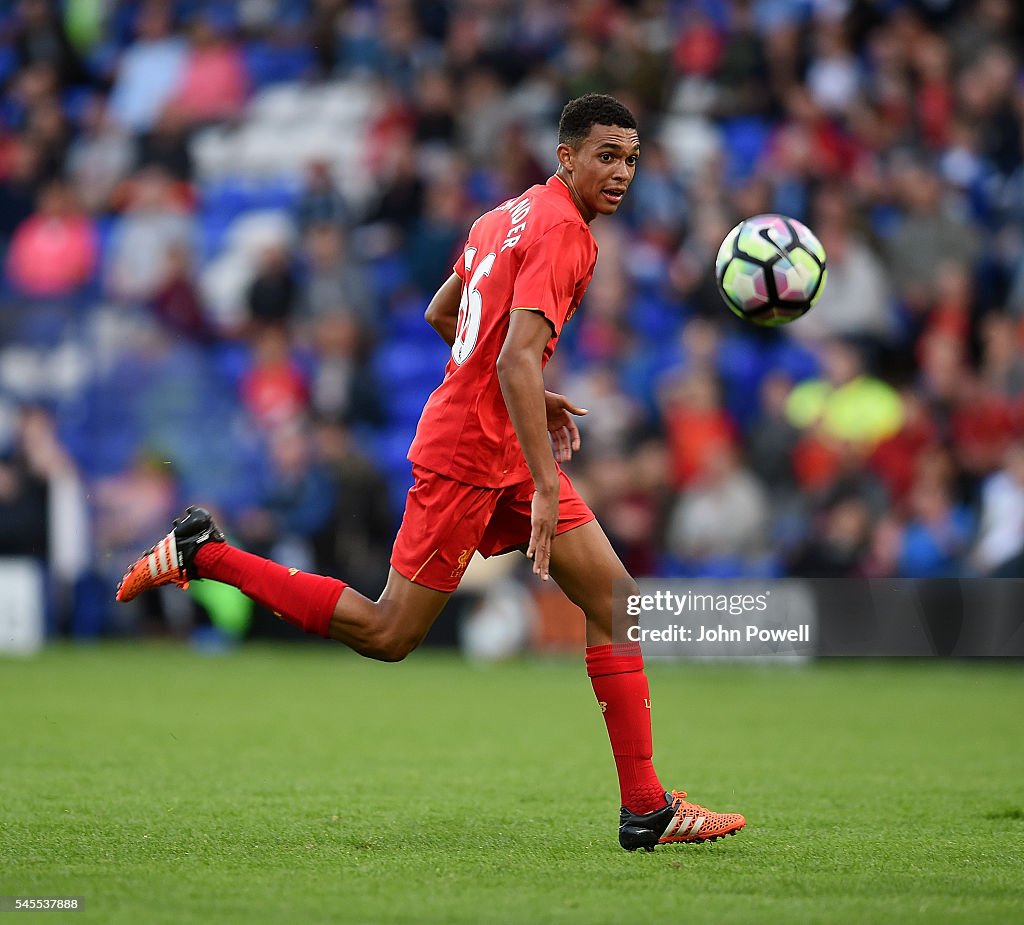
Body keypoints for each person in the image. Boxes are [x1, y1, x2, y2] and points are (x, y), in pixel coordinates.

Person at [115, 94, 745, 852]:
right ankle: (204, 551)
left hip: (499, 440)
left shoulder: (500, 218)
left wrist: (527, 397)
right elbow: (509, 351)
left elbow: (444, 315)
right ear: (566, 157)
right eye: (606, 155)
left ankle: (647, 807)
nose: (621, 172)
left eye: (632, 159)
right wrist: (544, 476)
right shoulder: (566, 234)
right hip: (469, 457)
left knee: (616, 601)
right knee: (388, 632)